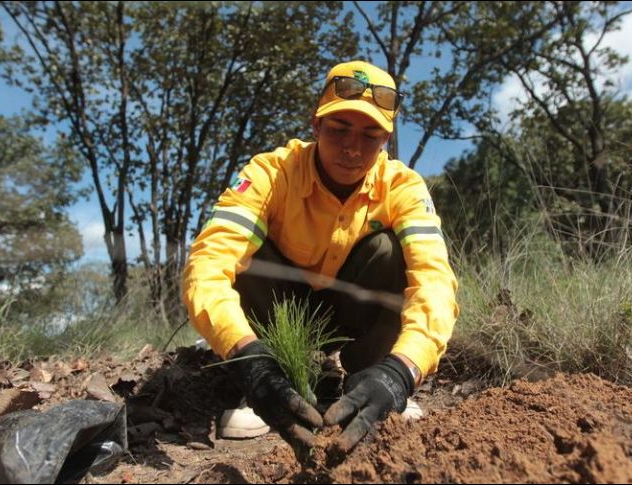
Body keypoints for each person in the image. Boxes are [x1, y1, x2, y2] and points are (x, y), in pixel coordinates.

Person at [182, 60, 459, 454]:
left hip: (351, 312)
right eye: (339, 129)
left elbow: (433, 281)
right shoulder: (269, 173)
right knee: (244, 251)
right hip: (280, 306)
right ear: (315, 126)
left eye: (370, 134)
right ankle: (269, 374)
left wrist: (403, 370)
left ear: (385, 140)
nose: (352, 147)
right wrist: (246, 356)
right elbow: (207, 264)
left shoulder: (403, 187)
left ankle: (370, 378)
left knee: (392, 251)